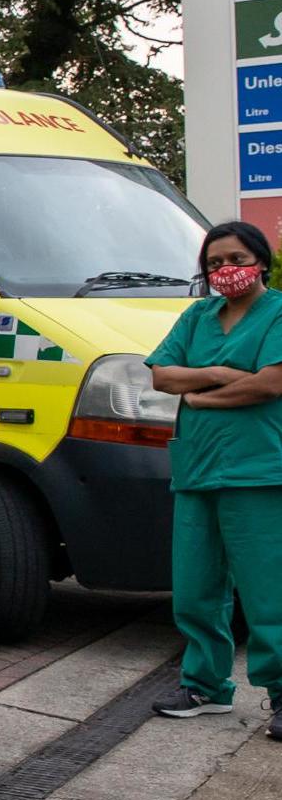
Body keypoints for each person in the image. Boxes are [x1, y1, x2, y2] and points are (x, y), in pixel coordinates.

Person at [145, 220, 282, 737]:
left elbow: (270, 383)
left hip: (259, 470)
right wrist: (223, 375)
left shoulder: (279, 312)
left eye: (236, 259)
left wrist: (198, 396)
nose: (226, 270)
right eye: (215, 263)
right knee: (196, 588)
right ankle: (205, 685)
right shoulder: (199, 314)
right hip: (198, 469)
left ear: (261, 261)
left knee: (270, 591)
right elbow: (161, 375)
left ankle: (281, 692)